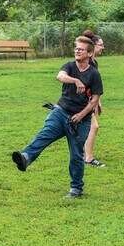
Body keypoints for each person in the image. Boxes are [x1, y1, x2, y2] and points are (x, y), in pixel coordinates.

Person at [12, 36, 103, 198]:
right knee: (45, 134)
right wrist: (75, 81)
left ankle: (76, 190)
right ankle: (26, 158)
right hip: (60, 112)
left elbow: (95, 100)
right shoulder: (69, 66)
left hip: (80, 120)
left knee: (76, 155)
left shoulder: (94, 74)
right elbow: (60, 76)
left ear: (89, 54)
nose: (77, 51)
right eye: (76, 48)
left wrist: (81, 115)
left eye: (81, 49)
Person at [82, 30, 106, 167]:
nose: (103, 48)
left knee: (84, 126)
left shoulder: (94, 63)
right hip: (82, 101)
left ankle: (80, 151)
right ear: (92, 46)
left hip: (89, 100)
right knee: (93, 126)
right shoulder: (87, 63)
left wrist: (98, 102)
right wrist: (92, 102)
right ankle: (88, 158)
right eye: (100, 45)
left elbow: (95, 85)